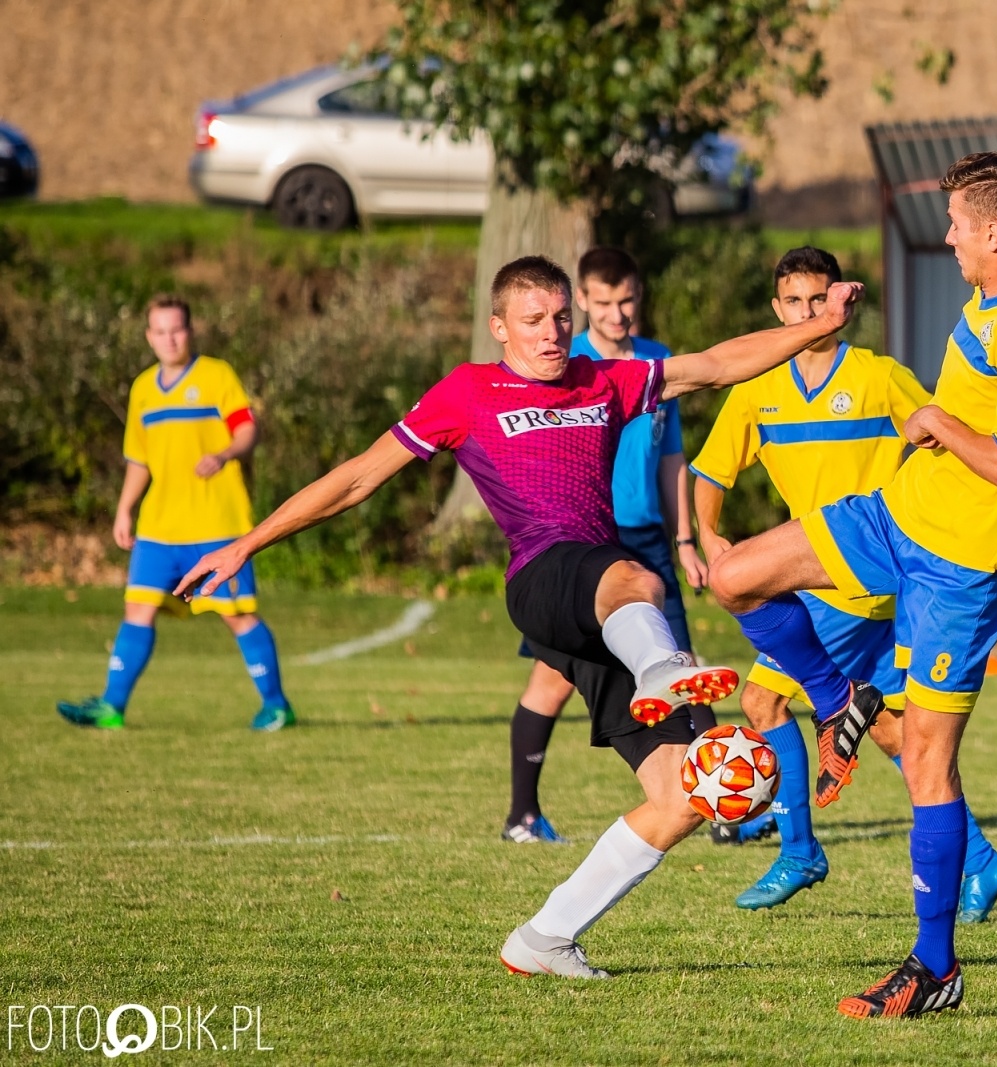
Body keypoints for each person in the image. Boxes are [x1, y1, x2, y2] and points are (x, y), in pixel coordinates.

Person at [176, 255, 863, 980]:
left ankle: (544, 937)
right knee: (635, 574)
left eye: (562, 317)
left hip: (606, 604)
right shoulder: (466, 392)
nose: (552, 332)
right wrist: (249, 541)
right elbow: (354, 478)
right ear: (498, 325)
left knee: (683, 792)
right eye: (533, 320)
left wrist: (822, 324)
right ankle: (663, 668)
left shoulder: (602, 379)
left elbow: (720, 364)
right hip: (542, 579)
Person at [708, 152, 997, 1017]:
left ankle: (934, 966)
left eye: (957, 223)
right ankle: (838, 697)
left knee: (924, 759)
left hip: (964, 566)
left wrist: (938, 421)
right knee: (734, 576)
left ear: (995, 233)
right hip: (895, 518)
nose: (948, 235)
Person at [692, 246, 997, 920]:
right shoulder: (758, 388)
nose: (810, 313)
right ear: (778, 311)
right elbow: (709, 473)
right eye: (796, 303)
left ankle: (800, 848)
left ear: (840, 301)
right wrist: (704, 533)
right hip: (811, 568)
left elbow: (944, 434)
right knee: (896, 732)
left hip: (858, 573)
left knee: (762, 702)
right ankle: (982, 859)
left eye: (819, 300)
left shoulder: (878, 377)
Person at [502, 247, 710, 847]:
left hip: (645, 539)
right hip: (578, 545)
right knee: (553, 679)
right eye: (604, 302)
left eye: (627, 301)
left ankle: (718, 800)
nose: (618, 314)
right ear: (583, 303)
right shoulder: (565, 363)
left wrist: (686, 536)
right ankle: (522, 814)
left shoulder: (656, 361)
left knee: (682, 668)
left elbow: (672, 456)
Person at [56, 295, 292, 732]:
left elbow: (247, 429)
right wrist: (125, 509)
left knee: (236, 615)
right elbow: (138, 460)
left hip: (216, 523)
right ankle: (111, 707)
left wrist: (224, 454)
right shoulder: (143, 389)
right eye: (160, 331)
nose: (169, 338)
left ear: (191, 331)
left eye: (177, 329)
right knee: (137, 610)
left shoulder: (217, 375)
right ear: (149, 337)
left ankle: (277, 706)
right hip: (159, 527)